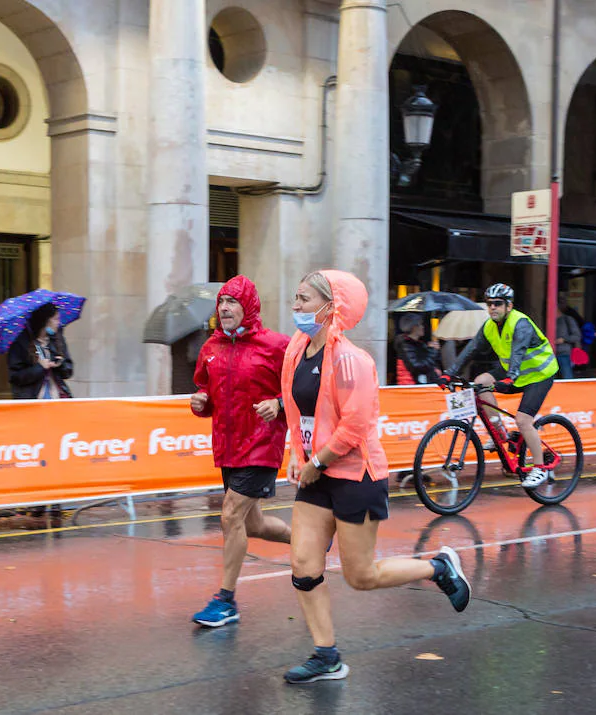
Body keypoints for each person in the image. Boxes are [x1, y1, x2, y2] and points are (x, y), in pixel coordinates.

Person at [280, 270, 470, 684]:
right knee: (303, 565)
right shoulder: (296, 349)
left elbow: (355, 427)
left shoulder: (353, 361)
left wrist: (317, 461)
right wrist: (299, 455)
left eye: (303, 298)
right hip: (317, 474)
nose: (295, 306)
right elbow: (296, 410)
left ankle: (438, 568)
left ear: (332, 307)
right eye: (295, 297)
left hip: (356, 475)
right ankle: (325, 655)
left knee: (360, 576)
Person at [188, 275, 292, 628]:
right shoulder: (211, 349)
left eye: (232, 302)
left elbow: (303, 388)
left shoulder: (276, 345)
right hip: (228, 447)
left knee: (230, 515)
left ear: (248, 307)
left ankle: (225, 600)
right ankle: (311, 541)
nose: (225, 308)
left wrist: (278, 404)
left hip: (263, 445)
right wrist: (199, 403)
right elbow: (205, 394)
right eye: (221, 302)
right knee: (254, 524)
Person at [444, 283, 559, 488]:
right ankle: (501, 433)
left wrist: (510, 377)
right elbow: (471, 350)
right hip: (514, 373)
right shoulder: (489, 326)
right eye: (489, 304)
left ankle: (540, 468)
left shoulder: (519, 323)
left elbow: (518, 351)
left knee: (524, 421)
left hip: (539, 374)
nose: (493, 308)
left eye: (498, 304)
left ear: (509, 306)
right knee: (480, 383)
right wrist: (449, 374)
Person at [7, 303, 73, 399]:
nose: (58, 323)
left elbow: (68, 372)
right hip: (32, 400)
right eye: (55, 319)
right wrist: (40, 367)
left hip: (56, 396)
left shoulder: (57, 340)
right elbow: (15, 377)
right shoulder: (21, 343)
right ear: (45, 320)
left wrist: (60, 364)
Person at [392, 313, 442, 385]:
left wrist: (431, 350)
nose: (423, 327)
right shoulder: (405, 345)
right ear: (414, 327)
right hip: (410, 387)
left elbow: (430, 362)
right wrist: (432, 351)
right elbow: (418, 367)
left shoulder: (419, 344)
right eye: (420, 324)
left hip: (419, 384)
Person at [552, 307, 582, 379]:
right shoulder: (548, 319)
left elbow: (577, 336)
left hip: (563, 352)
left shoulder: (567, 319)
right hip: (550, 353)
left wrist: (564, 339)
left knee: (567, 376)